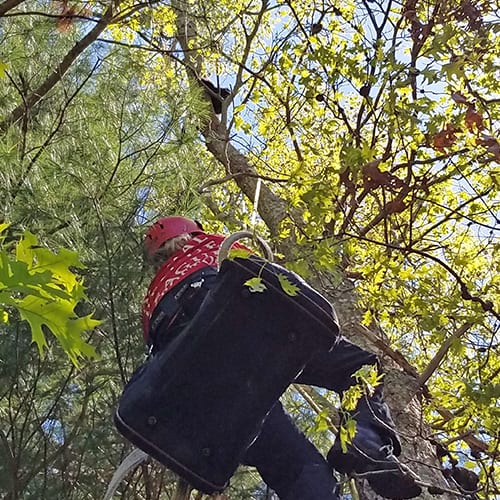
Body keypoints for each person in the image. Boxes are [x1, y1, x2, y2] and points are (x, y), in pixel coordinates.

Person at [141, 216, 422, 500]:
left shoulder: (151, 300)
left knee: (296, 467)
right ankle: (364, 442)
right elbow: (273, 282)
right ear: (189, 235)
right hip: (242, 325)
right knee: (361, 367)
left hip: (200, 386)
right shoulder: (212, 244)